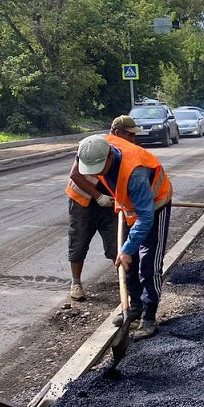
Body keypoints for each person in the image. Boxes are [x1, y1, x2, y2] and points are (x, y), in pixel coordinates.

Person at [72, 130, 173, 340]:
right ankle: (134, 306)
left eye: (100, 168)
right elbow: (77, 173)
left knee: (149, 263)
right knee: (127, 262)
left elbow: (145, 218)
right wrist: (127, 251)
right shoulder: (92, 147)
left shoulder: (135, 172)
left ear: (109, 156)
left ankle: (149, 316)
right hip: (128, 205)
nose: (96, 173)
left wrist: (128, 248)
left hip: (154, 205)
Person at [65, 134, 118, 301]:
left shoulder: (120, 151)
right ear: (116, 131)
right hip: (83, 202)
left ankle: (126, 283)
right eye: (127, 133)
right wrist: (97, 196)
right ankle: (76, 283)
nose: (131, 137)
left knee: (117, 243)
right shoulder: (92, 146)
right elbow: (75, 174)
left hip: (109, 203)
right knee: (78, 241)